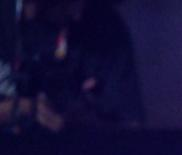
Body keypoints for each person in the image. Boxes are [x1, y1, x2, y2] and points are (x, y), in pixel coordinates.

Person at [0, 0, 144, 133]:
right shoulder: (7, 19)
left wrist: (82, 123)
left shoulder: (106, 26)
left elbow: (131, 125)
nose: (77, 14)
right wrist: (21, 109)